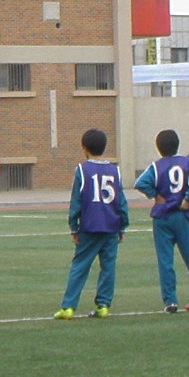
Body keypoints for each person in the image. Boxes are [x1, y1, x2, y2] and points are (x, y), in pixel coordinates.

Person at [135, 129, 189, 312]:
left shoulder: (156, 166)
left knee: (165, 260)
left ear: (158, 148)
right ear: (177, 145)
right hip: (182, 215)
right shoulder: (188, 163)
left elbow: (140, 183)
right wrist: (187, 197)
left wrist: (155, 195)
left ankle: (170, 301)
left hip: (162, 217)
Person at [57, 128, 126, 319]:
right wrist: (122, 225)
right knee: (108, 266)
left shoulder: (82, 169)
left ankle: (68, 306)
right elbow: (122, 201)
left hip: (90, 225)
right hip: (111, 225)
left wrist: (73, 226)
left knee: (80, 264)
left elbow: (76, 200)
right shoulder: (115, 170)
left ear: (84, 148)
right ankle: (103, 305)